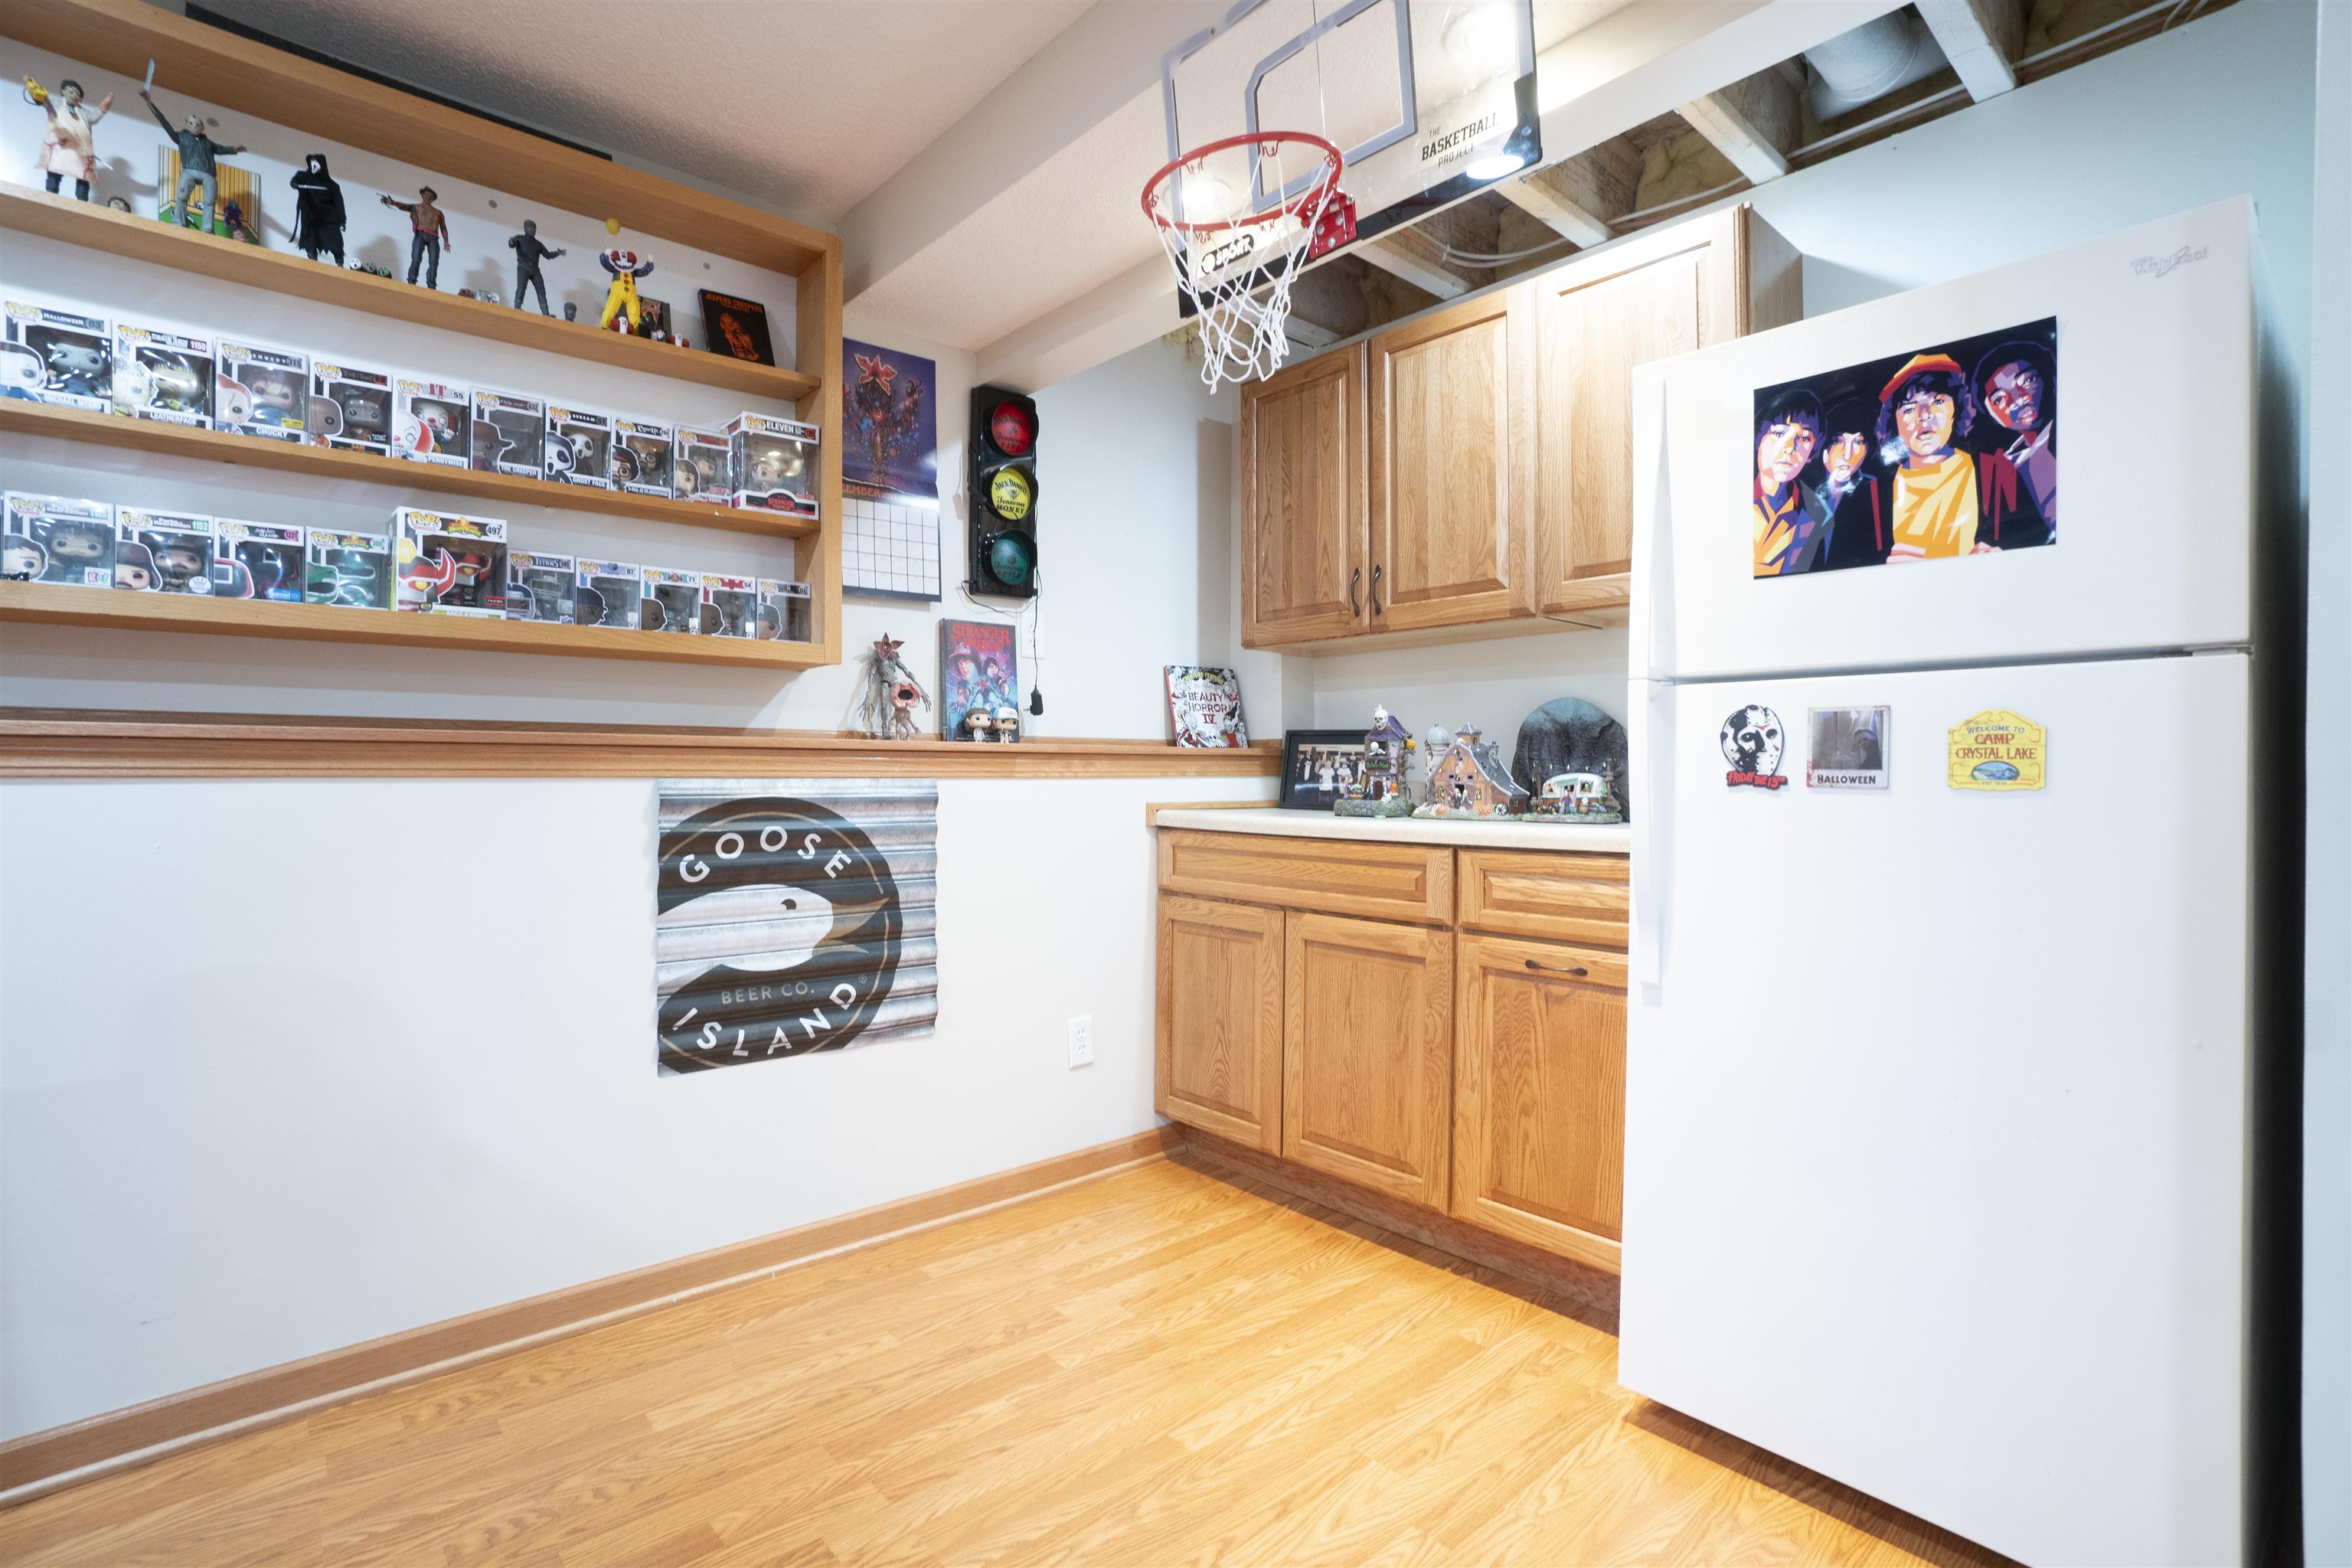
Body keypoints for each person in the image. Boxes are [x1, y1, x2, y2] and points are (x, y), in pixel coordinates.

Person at [1873, 351, 2048, 563]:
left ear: (1955, 408)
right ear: (1894, 421)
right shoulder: (1876, 492)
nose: (1925, 415)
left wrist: (2003, 558)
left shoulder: (1995, 471)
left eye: (1937, 402)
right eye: (1910, 408)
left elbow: (2035, 541)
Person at [1975, 341, 2056, 539]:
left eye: (2027, 381)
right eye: (2000, 399)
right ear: (1991, 413)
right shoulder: (2006, 468)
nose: (2018, 399)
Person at [142, 87, 244, 229]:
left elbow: (221, 149)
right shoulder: (182, 137)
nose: (195, 126)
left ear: (202, 127)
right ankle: (178, 222)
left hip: (208, 173)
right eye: (192, 123)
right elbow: (165, 124)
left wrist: (234, 150)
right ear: (187, 123)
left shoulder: (207, 142)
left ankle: (207, 228)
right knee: (181, 197)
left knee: (209, 201)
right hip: (189, 170)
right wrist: (150, 104)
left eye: (198, 125)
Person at [1751, 387, 1822, 576]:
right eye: (1779, 433)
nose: (1790, 448)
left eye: (1804, 438)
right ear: (1759, 437)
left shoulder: (1819, 515)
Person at [33, 78, 111, 201]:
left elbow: (95, 116)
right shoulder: (55, 103)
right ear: (63, 92)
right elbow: (42, 98)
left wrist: (104, 106)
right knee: (54, 171)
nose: (74, 96)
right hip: (59, 146)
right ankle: (51, 195)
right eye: (71, 92)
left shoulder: (84, 113)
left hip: (81, 150)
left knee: (83, 176)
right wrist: (35, 90)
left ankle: (82, 200)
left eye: (77, 95)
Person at [381, 187, 452, 289]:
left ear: (433, 199)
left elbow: (443, 227)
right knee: (416, 258)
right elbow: (404, 206)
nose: (428, 197)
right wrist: (392, 202)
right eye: (426, 195)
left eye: (430, 196)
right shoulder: (416, 207)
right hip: (420, 234)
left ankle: (432, 284)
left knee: (434, 262)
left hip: (433, 237)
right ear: (422, 195)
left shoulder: (438, 213)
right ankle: (412, 281)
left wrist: (446, 241)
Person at [289, 153, 346, 264]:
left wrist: (342, 219)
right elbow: (297, 180)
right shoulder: (304, 176)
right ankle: (312, 257)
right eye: (312, 163)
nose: (314, 165)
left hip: (329, 218)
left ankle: (339, 262)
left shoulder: (332, 185)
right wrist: (295, 183)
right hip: (311, 216)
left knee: (335, 241)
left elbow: (339, 203)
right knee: (311, 238)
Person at [508, 220, 566, 315]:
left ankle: (545, 313)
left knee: (541, 290)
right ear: (525, 228)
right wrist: (511, 242)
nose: (533, 230)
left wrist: (558, 253)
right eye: (530, 228)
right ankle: (517, 307)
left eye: (534, 228)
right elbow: (512, 244)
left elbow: (547, 255)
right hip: (523, 267)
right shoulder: (519, 238)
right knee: (521, 287)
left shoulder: (538, 244)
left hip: (535, 270)